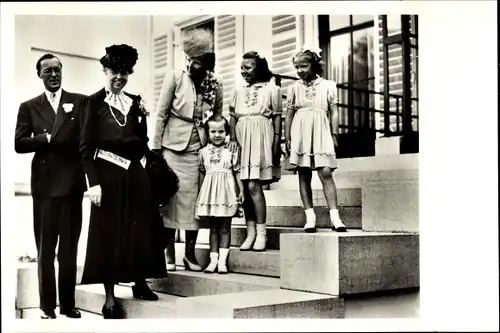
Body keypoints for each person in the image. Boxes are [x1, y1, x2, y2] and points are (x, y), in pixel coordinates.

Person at [79, 44, 167, 319]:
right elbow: (85, 148)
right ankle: (109, 298)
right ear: (104, 71)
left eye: (125, 73)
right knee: (109, 233)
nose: (120, 77)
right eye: (115, 72)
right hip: (107, 175)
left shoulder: (135, 102)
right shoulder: (92, 103)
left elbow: (143, 140)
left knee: (142, 228)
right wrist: (92, 183)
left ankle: (140, 283)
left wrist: (147, 170)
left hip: (135, 173)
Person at [14, 54, 86, 319]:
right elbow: (19, 143)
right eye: (47, 72)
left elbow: (86, 140)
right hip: (44, 187)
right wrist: (44, 138)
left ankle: (68, 304)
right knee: (46, 250)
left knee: (69, 249)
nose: (53, 75)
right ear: (39, 75)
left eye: (57, 70)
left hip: (72, 186)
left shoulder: (79, 102)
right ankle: (47, 307)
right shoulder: (29, 106)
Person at [152, 28, 223, 271]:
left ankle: (190, 255)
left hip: (198, 148)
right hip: (172, 146)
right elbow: (161, 113)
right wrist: (156, 148)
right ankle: (169, 255)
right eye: (193, 62)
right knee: (171, 199)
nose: (196, 67)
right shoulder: (175, 77)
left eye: (201, 63)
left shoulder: (215, 83)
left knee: (194, 203)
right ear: (188, 59)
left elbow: (219, 117)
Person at [284, 47, 347, 233]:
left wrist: (334, 134)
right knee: (303, 173)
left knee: (326, 172)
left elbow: (334, 111)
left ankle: (335, 218)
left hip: (321, 130)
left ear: (314, 65)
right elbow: (289, 114)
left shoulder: (328, 85)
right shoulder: (294, 88)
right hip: (300, 131)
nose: (300, 70)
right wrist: (287, 138)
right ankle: (310, 217)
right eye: (297, 67)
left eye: (304, 65)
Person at [228, 51, 282, 252]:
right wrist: (233, 138)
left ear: (258, 68)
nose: (243, 72)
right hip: (241, 139)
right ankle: (250, 232)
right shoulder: (238, 91)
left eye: (248, 68)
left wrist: (276, 142)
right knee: (244, 186)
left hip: (260, 137)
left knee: (253, 186)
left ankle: (261, 233)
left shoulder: (272, 89)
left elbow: (277, 117)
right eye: (241, 68)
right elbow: (232, 117)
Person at [195, 115, 244, 274]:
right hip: (210, 193)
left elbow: (237, 172)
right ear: (208, 133)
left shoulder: (231, 150)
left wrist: (241, 190)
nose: (217, 135)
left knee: (225, 228)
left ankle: (222, 261)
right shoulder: (203, 152)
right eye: (213, 131)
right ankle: (213, 261)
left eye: (221, 131)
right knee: (213, 229)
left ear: (227, 132)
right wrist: (200, 195)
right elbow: (202, 175)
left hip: (226, 192)